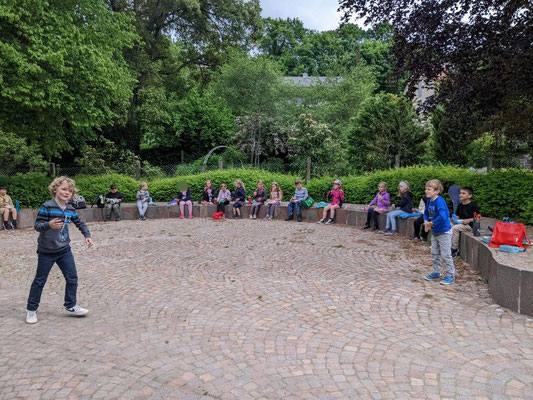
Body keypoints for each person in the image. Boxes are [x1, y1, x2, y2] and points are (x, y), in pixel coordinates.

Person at [25, 176, 94, 324]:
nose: (67, 192)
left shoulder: (70, 208)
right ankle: (31, 310)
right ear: (55, 189)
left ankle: (70, 305)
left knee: (72, 278)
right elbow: (37, 226)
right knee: (39, 281)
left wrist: (87, 235)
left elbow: (79, 223)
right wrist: (49, 224)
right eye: (63, 189)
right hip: (46, 251)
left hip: (64, 250)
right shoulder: (47, 206)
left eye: (70, 191)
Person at [423, 179, 455, 285]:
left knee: (445, 254)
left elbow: (443, 216)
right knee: (434, 253)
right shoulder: (429, 201)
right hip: (435, 232)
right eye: (426, 189)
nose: (426, 191)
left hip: (444, 232)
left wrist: (431, 223)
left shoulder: (440, 201)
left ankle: (450, 275)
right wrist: (426, 221)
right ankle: (437, 272)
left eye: (429, 189)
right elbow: (426, 213)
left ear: (436, 191)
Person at [451, 187, 480, 258]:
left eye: (464, 193)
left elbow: (478, 217)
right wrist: (454, 218)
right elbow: (458, 216)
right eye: (460, 193)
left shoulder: (473, 205)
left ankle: (454, 249)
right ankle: (446, 245)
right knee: (448, 225)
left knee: (455, 228)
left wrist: (469, 220)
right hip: (461, 223)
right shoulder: (460, 205)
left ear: (469, 196)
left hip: (469, 225)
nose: (461, 195)